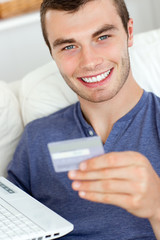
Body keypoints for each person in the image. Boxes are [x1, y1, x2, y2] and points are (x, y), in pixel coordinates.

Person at [7, 0, 160, 239]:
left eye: (102, 37)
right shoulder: (37, 138)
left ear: (129, 33)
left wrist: (157, 207)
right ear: (52, 54)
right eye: (68, 47)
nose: (89, 62)